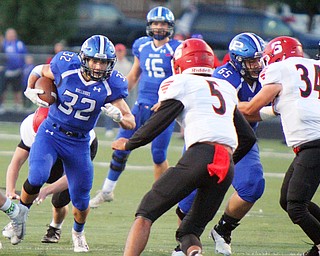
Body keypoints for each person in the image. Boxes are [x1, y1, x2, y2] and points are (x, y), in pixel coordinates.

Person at [112, 38, 256, 256]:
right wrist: (226, 161)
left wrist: (130, 142)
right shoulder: (224, 87)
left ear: (180, 64)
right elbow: (247, 137)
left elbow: (159, 122)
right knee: (189, 232)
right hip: (226, 164)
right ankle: (194, 253)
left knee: (145, 212)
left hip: (200, 155)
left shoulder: (180, 83)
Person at [21, 35, 135, 252]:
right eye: (95, 60)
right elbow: (39, 69)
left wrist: (119, 117)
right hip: (51, 132)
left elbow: (131, 121)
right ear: (84, 58)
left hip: (79, 142)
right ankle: (19, 217)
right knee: (37, 176)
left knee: (81, 200)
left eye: (104, 62)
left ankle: (78, 233)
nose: (99, 66)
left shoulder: (112, 84)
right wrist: (29, 87)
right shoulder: (66, 65)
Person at [171, 32, 266, 256]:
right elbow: (239, 109)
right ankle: (184, 242)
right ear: (236, 60)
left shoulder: (267, 74)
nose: (256, 65)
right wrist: (268, 110)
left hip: (242, 140)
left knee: (253, 185)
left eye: (259, 59)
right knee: (188, 197)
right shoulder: (224, 76)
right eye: (251, 61)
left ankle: (223, 230)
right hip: (209, 136)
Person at [89, 6, 181, 208]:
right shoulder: (142, 45)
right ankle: (106, 191)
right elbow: (133, 75)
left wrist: (168, 99)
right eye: (156, 23)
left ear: (170, 26)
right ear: (149, 25)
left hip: (163, 109)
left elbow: (181, 80)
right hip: (140, 106)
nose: (159, 27)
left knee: (158, 156)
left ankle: (160, 198)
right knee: (120, 145)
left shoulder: (177, 48)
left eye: (163, 23)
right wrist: (115, 97)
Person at [238, 36, 320, 256]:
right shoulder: (312, 68)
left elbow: (250, 109)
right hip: (310, 145)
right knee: (287, 200)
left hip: (314, 144)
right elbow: (265, 113)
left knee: (296, 206)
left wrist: (223, 105)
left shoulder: (281, 69)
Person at [2, 106, 98, 244]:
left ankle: (56, 228)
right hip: (50, 153)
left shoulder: (81, 133)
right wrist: (10, 189)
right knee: (33, 182)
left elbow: (72, 178)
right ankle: (19, 218)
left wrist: (47, 190)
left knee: (60, 200)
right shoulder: (31, 127)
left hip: (74, 145)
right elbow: (16, 162)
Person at [105, 43, 134, 137]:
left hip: (123, 90)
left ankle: (122, 129)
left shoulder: (128, 64)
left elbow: (130, 78)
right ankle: (108, 128)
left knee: (125, 111)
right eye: (117, 51)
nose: (119, 53)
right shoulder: (112, 63)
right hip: (111, 91)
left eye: (120, 51)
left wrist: (127, 89)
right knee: (109, 111)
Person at [0, 28, 27, 110]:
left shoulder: (19, 44)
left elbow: (25, 55)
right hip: (5, 71)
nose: (11, 36)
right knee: (3, 89)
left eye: (13, 34)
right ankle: (2, 105)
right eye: (9, 34)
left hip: (17, 71)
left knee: (17, 89)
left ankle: (18, 105)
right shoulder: (3, 44)